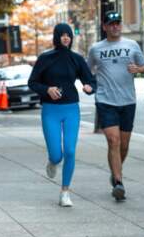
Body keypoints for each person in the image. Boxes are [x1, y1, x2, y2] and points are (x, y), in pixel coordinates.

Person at [28, 23, 95, 207]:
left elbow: (90, 79)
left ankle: (65, 192)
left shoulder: (76, 59)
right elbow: (32, 82)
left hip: (71, 109)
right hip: (51, 110)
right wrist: (46, 89)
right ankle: (52, 162)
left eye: (68, 35)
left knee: (70, 151)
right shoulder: (45, 58)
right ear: (56, 37)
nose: (66, 38)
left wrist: (89, 87)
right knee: (57, 155)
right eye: (62, 35)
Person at [87, 11, 144, 201]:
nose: (115, 26)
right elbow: (88, 71)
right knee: (113, 141)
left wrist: (138, 69)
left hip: (128, 101)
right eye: (111, 23)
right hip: (106, 101)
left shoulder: (132, 45)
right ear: (104, 27)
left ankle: (115, 172)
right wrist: (88, 84)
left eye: (117, 23)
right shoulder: (96, 49)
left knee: (124, 145)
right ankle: (119, 182)